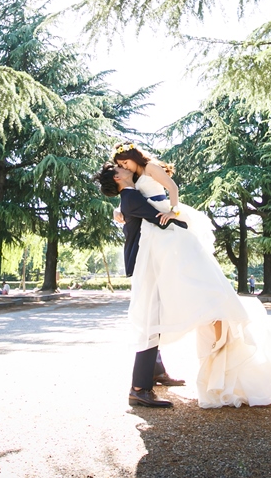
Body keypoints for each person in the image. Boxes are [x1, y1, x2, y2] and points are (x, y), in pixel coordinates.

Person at [108, 143, 271, 409]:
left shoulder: (149, 170)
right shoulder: (131, 184)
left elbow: (171, 189)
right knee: (157, 302)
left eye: (124, 163)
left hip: (165, 222)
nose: (122, 167)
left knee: (168, 294)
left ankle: (161, 367)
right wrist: (120, 212)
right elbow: (131, 201)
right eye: (119, 166)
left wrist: (173, 211)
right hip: (155, 235)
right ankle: (154, 371)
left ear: (133, 159)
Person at [99, 162, 187, 408]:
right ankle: (139, 388)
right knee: (149, 319)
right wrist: (186, 225)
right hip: (144, 263)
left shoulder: (130, 195)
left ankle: (155, 372)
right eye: (120, 167)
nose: (125, 167)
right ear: (117, 177)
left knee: (155, 315)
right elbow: (160, 220)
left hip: (146, 260)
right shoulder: (131, 198)